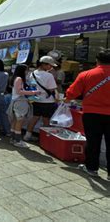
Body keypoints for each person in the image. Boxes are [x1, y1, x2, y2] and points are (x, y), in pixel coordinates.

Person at [65, 49, 110, 179]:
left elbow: (71, 93)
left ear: (97, 60)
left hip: (91, 113)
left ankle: (91, 168)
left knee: (92, 141)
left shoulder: (86, 74)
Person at [24, 56, 59, 141]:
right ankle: (46, 139)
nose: (51, 67)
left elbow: (29, 85)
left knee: (35, 117)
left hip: (35, 99)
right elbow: (52, 89)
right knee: (46, 119)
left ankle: (27, 135)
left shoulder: (32, 73)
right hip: (47, 101)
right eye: (50, 65)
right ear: (44, 64)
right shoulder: (49, 75)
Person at [7, 64, 40, 148]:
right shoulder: (19, 79)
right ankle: (17, 140)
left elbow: (19, 90)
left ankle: (13, 139)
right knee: (19, 121)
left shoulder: (15, 78)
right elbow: (19, 92)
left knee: (15, 121)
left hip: (16, 101)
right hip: (20, 102)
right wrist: (33, 92)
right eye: (26, 70)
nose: (27, 72)